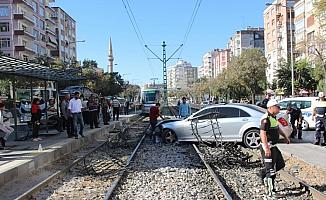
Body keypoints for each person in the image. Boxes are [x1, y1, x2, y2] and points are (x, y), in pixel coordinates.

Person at [259, 99, 290, 197]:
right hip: (267, 146)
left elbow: (277, 128)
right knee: (271, 170)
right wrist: (266, 148)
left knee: (280, 164)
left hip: (274, 146)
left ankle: (263, 173)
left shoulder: (273, 117)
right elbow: (262, 133)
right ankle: (271, 192)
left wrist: (285, 136)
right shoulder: (265, 119)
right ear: (271, 107)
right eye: (277, 107)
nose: (279, 109)